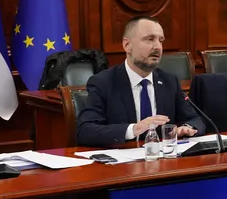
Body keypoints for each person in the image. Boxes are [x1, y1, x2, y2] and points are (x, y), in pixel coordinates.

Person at [76, 16, 204, 146]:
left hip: (163, 156)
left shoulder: (169, 81)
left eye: (160, 41)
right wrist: (133, 130)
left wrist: (186, 128)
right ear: (127, 45)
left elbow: (195, 120)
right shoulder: (103, 82)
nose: (158, 47)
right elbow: (85, 131)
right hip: (124, 156)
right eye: (150, 39)